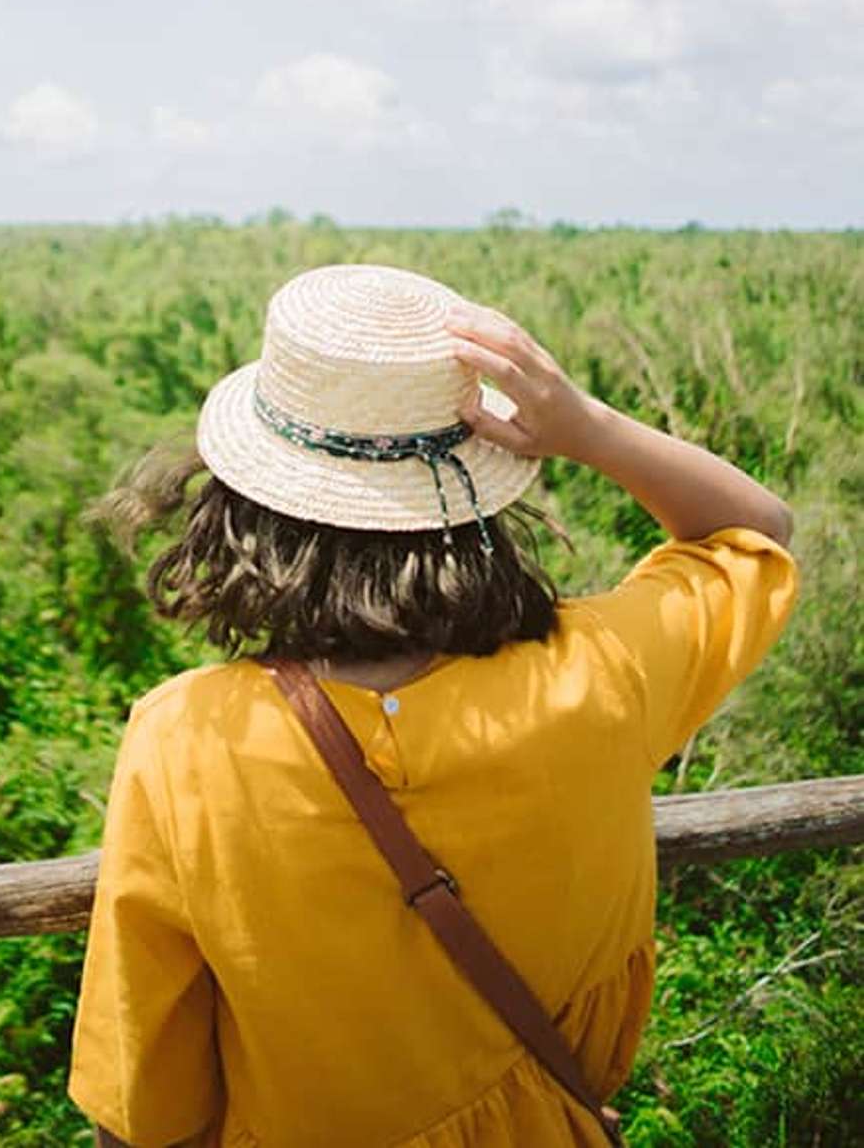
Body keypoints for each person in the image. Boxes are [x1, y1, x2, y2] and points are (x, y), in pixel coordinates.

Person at [67, 263, 799, 1148]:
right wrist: (585, 426)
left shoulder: (186, 738)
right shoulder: (603, 672)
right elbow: (751, 534)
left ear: (245, 510)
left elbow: (145, 1101)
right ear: (481, 490)